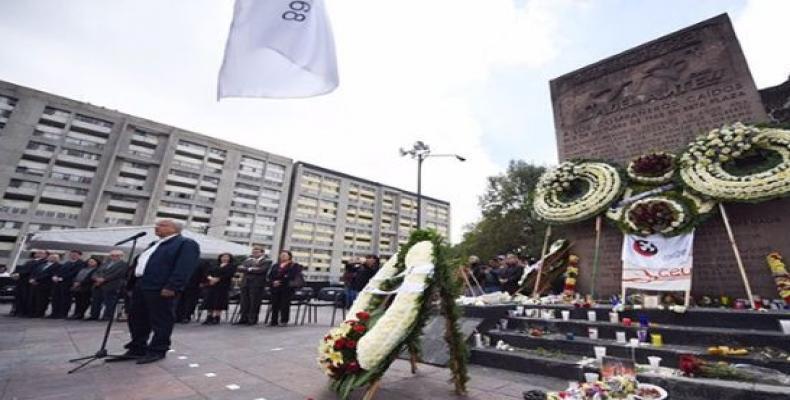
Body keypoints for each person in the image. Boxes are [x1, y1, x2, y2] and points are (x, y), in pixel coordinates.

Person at [117, 219, 200, 364]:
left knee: (161, 319)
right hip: (141, 284)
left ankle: (157, 349)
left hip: (161, 287)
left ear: (176, 229)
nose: (157, 227)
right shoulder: (154, 244)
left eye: (162, 225)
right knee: (136, 318)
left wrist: (172, 286)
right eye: (157, 225)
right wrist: (131, 285)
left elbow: (184, 267)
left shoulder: (185, 243)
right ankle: (137, 348)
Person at [234, 246, 271, 325]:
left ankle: (252, 319)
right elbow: (240, 268)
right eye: (254, 252)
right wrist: (252, 269)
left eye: (257, 252)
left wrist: (248, 269)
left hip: (257, 284)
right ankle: (243, 318)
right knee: (244, 301)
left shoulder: (266, 261)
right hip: (245, 283)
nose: (255, 253)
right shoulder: (248, 260)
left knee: (254, 302)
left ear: (262, 253)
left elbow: (261, 270)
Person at [266, 250, 303, 327]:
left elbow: (291, 276)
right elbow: (270, 276)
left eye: (285, 255)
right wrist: (273, 282)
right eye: (281, 255)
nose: (283, 256)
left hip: (286, 288)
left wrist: (280, 281)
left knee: (284, 304)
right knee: (274, 304)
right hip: (275, 287)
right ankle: (273, 321)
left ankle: (284, 320)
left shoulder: (294, 265)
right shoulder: (275, 265)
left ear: (289, 256)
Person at [88, 250, 129, 321]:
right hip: (98, 285)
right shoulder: (105, 263)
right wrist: (96, 278)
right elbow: (96, 272)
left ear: (121, 256)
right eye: (112, 255)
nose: (114, 257)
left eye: (117, 256)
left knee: (109, 302)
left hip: (111, 285)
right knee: (96, 301)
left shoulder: (124, 264)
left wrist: (104, 279)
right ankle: (94, 315)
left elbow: (117, 274)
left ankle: (107, 316)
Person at [201, 253, 237, 325]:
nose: (225, 258)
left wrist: (218, 279)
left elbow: (229, 274)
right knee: (209, 300)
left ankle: (217, 317)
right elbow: (207, 272)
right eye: (223, 257)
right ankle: (209, 316)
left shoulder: (231, 266)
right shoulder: (214, 264)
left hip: (223, 286)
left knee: (219, 301)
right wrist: (210, 278)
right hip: (211, 285)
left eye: (227, 257)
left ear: (230, 258)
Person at [49, 250, 86, 319]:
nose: (73, 255)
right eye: (71, 254)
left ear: (79, 255)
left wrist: (62, 278)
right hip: (59, 282)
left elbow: (74, 273)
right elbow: (59, 270)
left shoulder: (81, 263)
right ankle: (54, 313)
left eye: (75, 254)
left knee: (65, 299)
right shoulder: (67, 262)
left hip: (68, 283)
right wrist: (55, 276)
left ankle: (63, 313)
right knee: (56, 298)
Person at [10, 250, 47, 317]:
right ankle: (17, 311)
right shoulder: (30, 261)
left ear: (45, 255)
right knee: (19, 296)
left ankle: (25, 312)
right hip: (21, 281)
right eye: (37, 252)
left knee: (27, 298)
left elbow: (32, 270)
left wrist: (19, 274)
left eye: (41, 253)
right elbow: (21, 268)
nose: (38, 254)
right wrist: (14, 273)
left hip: (29, 281)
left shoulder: (44, 262)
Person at [175, 259, 207, 324]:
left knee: (190, 302)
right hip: (181, 285)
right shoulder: (180, 262)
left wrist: (202, 282)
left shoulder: (200, 263)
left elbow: (203, 274)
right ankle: (178, 316)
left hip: (194, 285)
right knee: (179, 302)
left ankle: (186, 316)